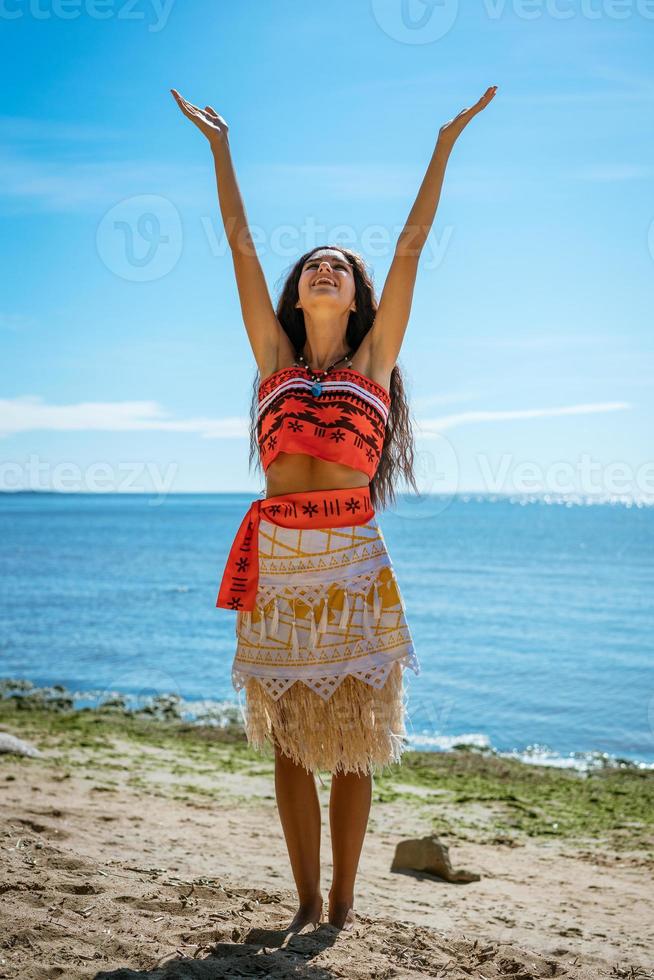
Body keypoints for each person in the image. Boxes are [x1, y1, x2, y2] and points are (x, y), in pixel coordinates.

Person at [171, 83, 497, 933]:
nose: (326, 267)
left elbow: (413, 248)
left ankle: (345, 905)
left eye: (340, 268)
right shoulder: (272, 357)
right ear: (300, 291)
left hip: (353, 561)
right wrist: (220, 151)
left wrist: (443, 145)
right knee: (286, 741)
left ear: (356, 298)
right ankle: (305, 901)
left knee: (354, 740)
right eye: (315, 263)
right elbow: (240, 250)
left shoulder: (376, 364)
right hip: (279, 560)